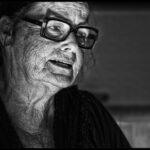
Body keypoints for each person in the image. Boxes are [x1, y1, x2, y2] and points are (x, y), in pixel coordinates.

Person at [0, 1, 131, 148]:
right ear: (8, 31)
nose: (74, 46)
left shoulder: (87, 113)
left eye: (80, 33)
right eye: (55, 27)